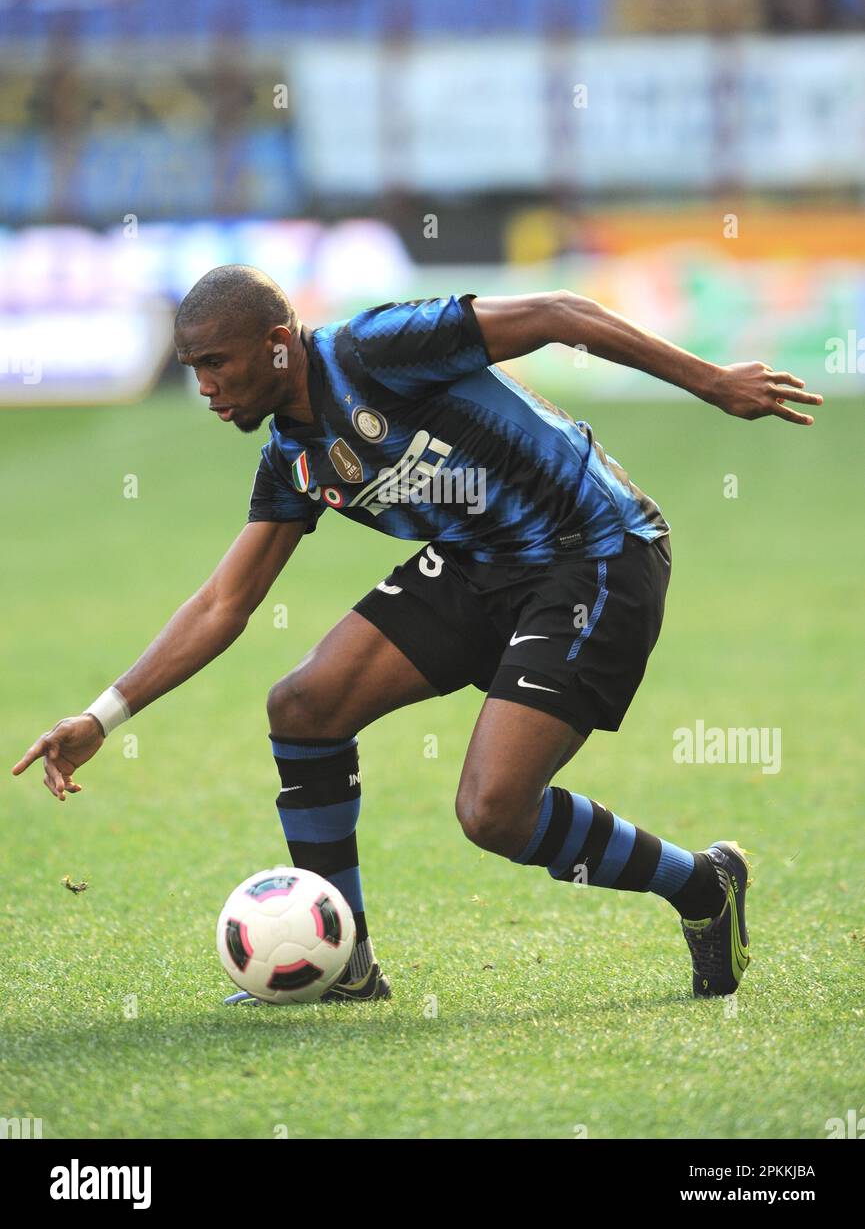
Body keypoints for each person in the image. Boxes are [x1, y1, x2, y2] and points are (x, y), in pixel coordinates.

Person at [12, 265, 823, 1003]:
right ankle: (346, 965)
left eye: (215, 363)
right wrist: (103, 716)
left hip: (596, 553)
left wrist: (710, 381)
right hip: (478, 563)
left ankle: (701, 884)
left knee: (494, 813)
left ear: (278, 344)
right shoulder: (292, 457)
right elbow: (226, 603)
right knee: (304, 706)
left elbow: (555, 311)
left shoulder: (376, 351)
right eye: (192, 368)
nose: (203, 386)